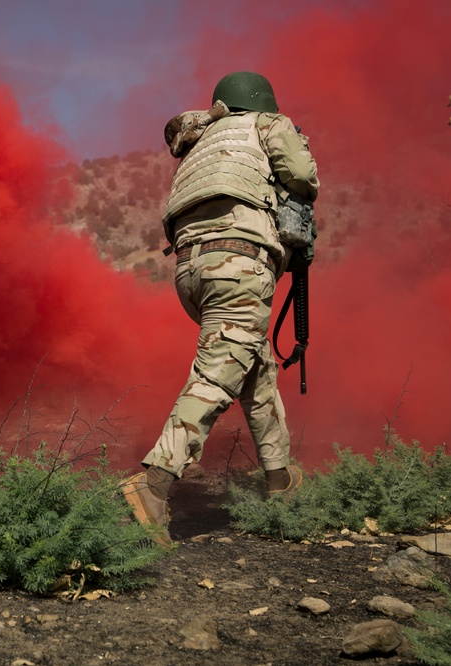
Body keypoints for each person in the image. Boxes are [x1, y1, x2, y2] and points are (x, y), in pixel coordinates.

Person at [122, 72, 320, 546]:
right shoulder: (268, 124)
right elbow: (303, 175)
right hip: (239, 263)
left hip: (190, 269)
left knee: (254, 366)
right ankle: (154, 481)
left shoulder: (203, 139)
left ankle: (280, 481)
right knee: (219, 371)